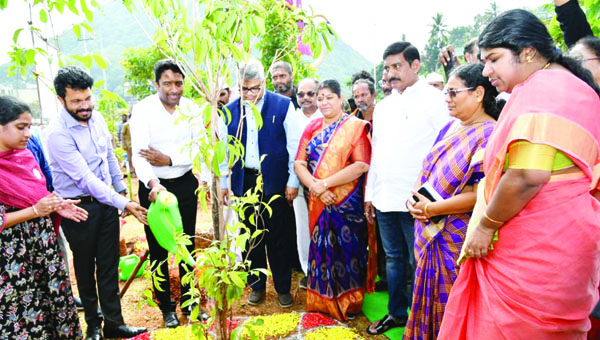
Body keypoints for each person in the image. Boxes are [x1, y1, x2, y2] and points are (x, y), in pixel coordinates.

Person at [438, 9, 600, 340]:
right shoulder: (573, 86)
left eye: (494, 59)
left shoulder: (544, 90)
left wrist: (485, 227)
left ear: (527, 52)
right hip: (566, 238)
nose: (486, 70)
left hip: (534, 249)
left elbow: (528, 174)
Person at [46, 66, 148, 340]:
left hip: (106, 205)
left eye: (87, 98)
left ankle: (114, 324)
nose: (84, 106)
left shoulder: (98, 119)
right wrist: (124, 203)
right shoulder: (58, 134)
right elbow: (85, 178)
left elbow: (109, 158)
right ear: (61, 100)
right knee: (85, 266)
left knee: (108, 264)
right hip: (77, 208)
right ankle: (92, 325)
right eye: (76, 101)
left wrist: (122, 192)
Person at [404, 63, 500, 340]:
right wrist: (415, 200)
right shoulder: (449, 127)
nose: (447, 99)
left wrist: (431, 209)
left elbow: (479, 195)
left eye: (453, 92)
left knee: (451, 305)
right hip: (426, 227)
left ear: (479, 93)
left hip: (454, 236)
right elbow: (429, 171)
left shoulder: (489, 134)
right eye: (446, 93)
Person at [365, 41, 449, 336]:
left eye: (397, 66)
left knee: (419, 261)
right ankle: (396, 313)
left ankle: (423, 318)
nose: (390, 73)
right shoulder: (384, 107)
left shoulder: (436, 100)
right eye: (387, 67)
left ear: (415, 65)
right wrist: (370, 194)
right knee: (394, 260)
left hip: (419, 200)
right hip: (385, 197)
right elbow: (378, 153)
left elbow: (445, 149)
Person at [130, 59, 214, 328]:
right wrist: (154, 183)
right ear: (156, 84)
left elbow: (198, 148)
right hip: (154, 189)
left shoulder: (191, 109)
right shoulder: (143, 110)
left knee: (186, 245)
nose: (174, 89)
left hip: (184, 184)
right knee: (158, 251)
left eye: (178, 83)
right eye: (167, 83)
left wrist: (169, 159)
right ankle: (166, 307)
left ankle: (191, 302)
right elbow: (140, 156)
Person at [0, 95, 88, 339]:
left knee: (53, 307)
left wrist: (55, 204)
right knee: (24, 315)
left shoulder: (25, 156)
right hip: (12, 260)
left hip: (44, 251)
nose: (28, 133)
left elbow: (37, 193)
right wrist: (36, 211)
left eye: (29, 126)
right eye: (21, 127)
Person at [223, 59, 298, 308]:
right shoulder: (231, 110)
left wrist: (292, 181)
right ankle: (256, 286)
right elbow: (224, 152)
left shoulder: (283, 105)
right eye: (245, 89)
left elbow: (294, 147)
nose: (250, 94)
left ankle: (283, 288)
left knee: (279, 237)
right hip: (245, 181)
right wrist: (225, 182)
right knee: (250, 237)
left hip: (276, 181)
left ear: (264, 83)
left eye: (255, 88)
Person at [294, 79, 371, 321]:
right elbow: (299, 163)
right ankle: (321, 301)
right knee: (319, 249)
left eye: (329, 97)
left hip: (347, 203)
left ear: (341, 99)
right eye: (320, 98)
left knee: (349, 251)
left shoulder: (355, 126)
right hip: (318, 202)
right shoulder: (312, 127)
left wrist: (324, 184)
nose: (324, 102)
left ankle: (350, 302)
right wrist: (316, 188)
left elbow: (361, 165)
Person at [291, 78, 323, 290]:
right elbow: (291, 152)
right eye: (301, 94)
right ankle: (308, 271)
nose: (305, 98)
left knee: (325, 229)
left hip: (326, 186)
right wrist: (293, 183)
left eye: (310, 93)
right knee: (303, 230)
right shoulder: (292, 118)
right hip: (300, 185)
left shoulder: (328, 116)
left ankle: (325, 271)